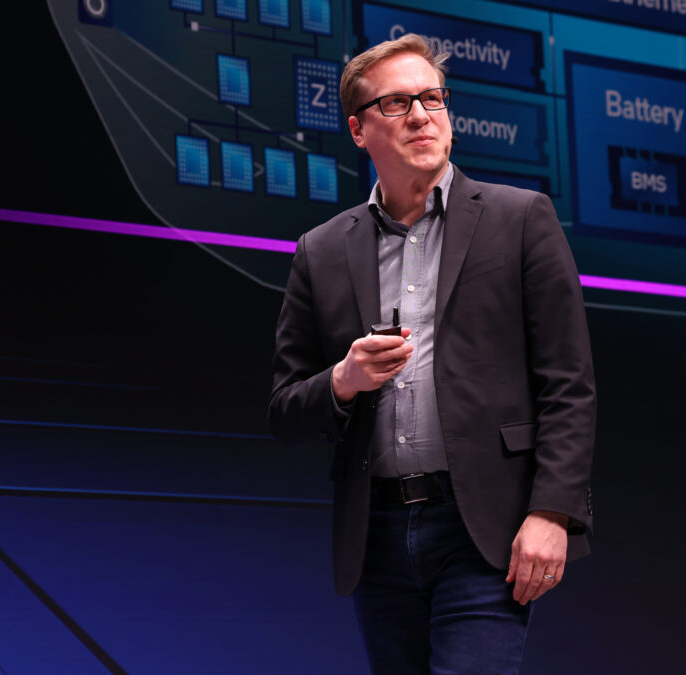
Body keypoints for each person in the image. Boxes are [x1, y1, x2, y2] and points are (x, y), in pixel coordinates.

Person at [268, 33, 596, 674]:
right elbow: (284, 410)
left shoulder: (520, 218)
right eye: (396, 103)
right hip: (378, 534)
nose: (420, 115)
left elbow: (569, 382)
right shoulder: (321, 250)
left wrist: (552, 511)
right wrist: (343, 379)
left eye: (432, 98)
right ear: (358, 130)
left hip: (486, 527)